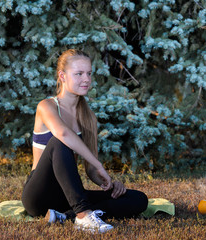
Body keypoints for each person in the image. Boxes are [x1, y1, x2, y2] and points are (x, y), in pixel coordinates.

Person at [21, 49, 148, 234]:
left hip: (67, 196)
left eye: (89, 73)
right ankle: (83, 215)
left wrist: (110, 185)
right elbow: (63, 134)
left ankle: (65, 216)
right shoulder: (46, 106)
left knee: (138, 199)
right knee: (58, 142)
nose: (86, 79)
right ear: (62, 76)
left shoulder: (88, 117)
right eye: (79, 74)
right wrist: (99, 165)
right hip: (39, 194)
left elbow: (90, 170)